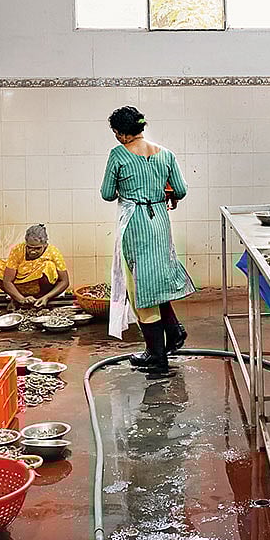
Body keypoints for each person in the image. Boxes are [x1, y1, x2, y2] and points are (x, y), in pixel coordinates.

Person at [101, 105, 194, 376]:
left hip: (136, 223)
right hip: (160, 222)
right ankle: (174, 332)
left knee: (140, 287)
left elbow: (107, 193)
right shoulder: (165, 154)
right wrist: (164, 191)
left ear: (121, 133)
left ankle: (156, 355)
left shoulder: (118, 155)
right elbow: (181, 190)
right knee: (157, 279)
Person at [0, 224, 70, 309]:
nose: (32, 251)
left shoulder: (53, 252)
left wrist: (46, 297)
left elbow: (64, 281)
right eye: (29, 247)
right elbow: (7, 281)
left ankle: (40, 299)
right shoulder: (18, 249)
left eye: (37, 248)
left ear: (45, 245)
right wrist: (20, 299)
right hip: (19, 286)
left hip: (39, 288)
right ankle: (15, 297)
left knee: (49, 265)